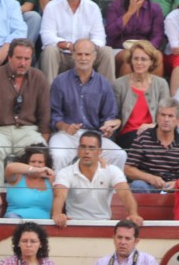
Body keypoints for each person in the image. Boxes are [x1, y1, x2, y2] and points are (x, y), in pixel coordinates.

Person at [0, 39, 50, 190]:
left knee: (39, 153)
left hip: (28, 130)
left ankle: (31, 198)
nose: (23, 63)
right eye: (19, 58)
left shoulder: (39, 78)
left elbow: (45, 116)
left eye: (27, 59)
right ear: (9, 57)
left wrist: (43, 143)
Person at [49, 39, 126, 169]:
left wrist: (108, 128)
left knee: (119, 155)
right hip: (67, 135)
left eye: (87, 54)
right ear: (73, 55)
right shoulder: (60, 81)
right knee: (58, 154)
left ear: (94, 57)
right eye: (79, 54)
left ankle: (105, 189)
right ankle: (60, 188)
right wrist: (66, 127)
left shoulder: (104, 84)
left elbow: (109, 116)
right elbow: (54, 115)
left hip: (94, 135)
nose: (83, 58)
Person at [53, 131, 142, 227]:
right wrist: (57, 214)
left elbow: (125, 194)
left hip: (104, 224)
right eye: (83, 147)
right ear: (78, 150)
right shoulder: (65, 172)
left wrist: (133, 214)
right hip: (74, 224)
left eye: (92, 148)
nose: (87, 152)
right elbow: (59, 195)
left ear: (100, 151)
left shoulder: (112, 170)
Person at [40, 0, 115, 80]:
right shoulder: (52, 6)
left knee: (107, 51)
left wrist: (83, 48)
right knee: (50, 51)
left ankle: (108, 93)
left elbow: (100, 38)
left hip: (87, 54)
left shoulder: (93, 8)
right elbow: (47, 36)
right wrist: (68, 45)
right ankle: (49, 93)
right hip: (62, 55)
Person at [124, 100, 179, 192]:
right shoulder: (143, 138)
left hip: (173, 188)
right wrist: (150, 178)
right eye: (163, 115)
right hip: (147, 185)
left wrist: (177, 183)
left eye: (170, 116)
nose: (166, 119)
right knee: (138, 185)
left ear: (177, 120)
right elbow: (128, 169)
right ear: (157, 117)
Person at [111, 41, 171, 150]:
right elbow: (114, 115)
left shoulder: (161, 84)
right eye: (136, 58)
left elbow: (167, 114)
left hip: (154, 132)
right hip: (128, 135)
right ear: (131, 60)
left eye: (143, 59)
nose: (139, 63)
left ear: (151, 62)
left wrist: (153, 126)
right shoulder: (119, 84)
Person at [106, 0, 166, 76]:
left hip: (145, 48)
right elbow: (110, 33)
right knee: (130, 57)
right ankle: (124, 89)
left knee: (158, 56)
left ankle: (154, 88)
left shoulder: (154, 9)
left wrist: (145, 49)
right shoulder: (116, 6)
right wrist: (129, 13)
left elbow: (158, 36)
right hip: (120, 48)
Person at [4, 145, 55, 219]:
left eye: (40, 162)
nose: (36, 165)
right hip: (16, 221)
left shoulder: (49, 179)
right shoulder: (17, 177)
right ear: (26, 162)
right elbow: (9, 167)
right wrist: (34, 170)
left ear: (46, 165)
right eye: (33, 161)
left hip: (43, 225)